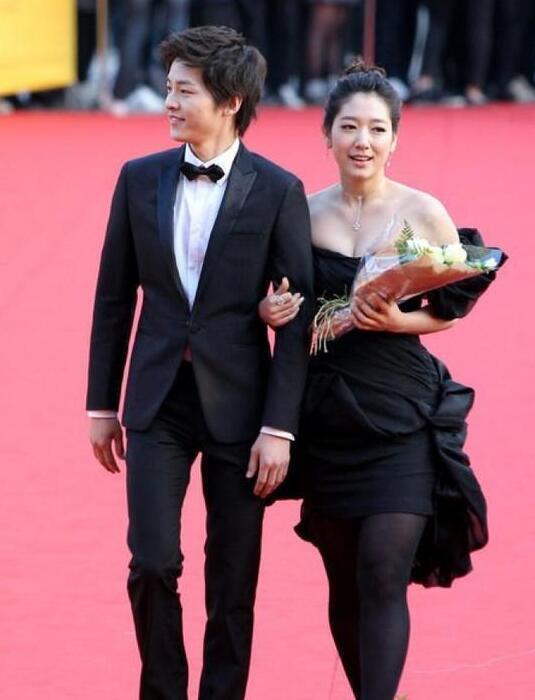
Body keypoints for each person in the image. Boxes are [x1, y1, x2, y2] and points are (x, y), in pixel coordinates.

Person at [86, 25, 314, 700]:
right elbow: (112, 298)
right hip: (156, 401)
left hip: (241, 409)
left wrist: (279, 427)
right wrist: (101, 404)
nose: (169, 102)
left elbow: (297, 321)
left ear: (231, 101)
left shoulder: (278, 190)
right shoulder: (138, 179)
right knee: (152, 561)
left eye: (185, 91)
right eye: (169, 88)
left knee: (233, 577)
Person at [260, 61, 495, 699]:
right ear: (326, 135)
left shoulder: (424, 212)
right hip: (326, 416)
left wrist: (398, 320)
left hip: (401, 415)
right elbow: (275, 296)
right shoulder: (300, 214)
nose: (362, 141)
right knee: (344, 579)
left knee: (382, 569)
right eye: (348, 127)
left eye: (376, 129)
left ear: (395, 139)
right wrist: (268, 309)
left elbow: (451, 308)